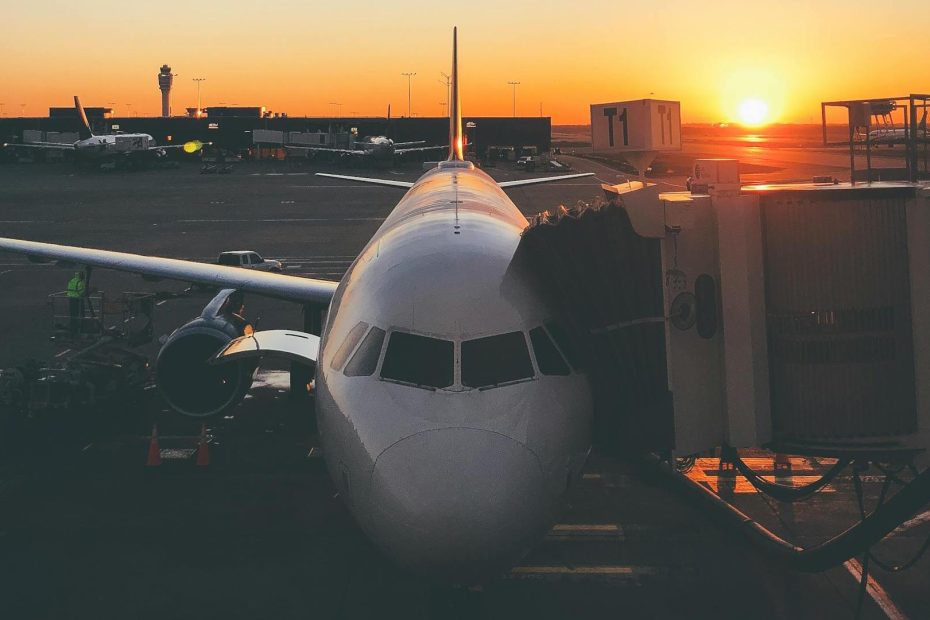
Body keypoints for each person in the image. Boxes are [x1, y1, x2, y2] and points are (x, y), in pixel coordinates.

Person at [66, 270, 86, 336]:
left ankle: (73, 329)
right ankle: (80, 328)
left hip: (71, 299)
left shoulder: (72, 280)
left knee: (73, 315)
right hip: (78, 300)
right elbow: (82, 293)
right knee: (79, 315)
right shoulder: (80, 282)